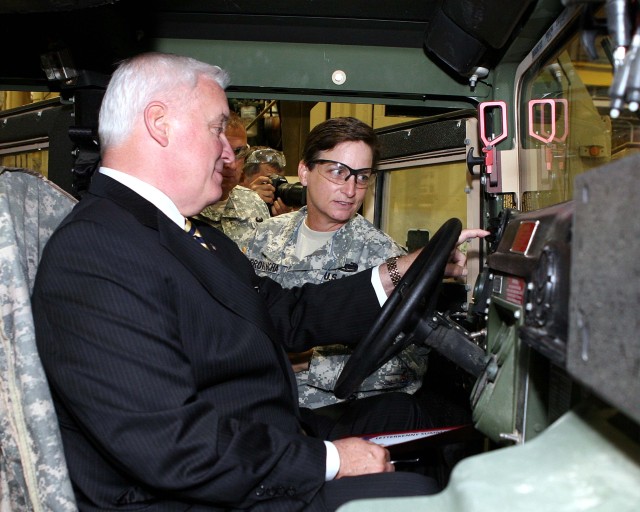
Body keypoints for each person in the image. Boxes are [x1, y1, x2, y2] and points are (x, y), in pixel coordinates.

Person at [32, 52, 487, 511]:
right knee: (421, 496)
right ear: (159, 123)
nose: (229, 154)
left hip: (256, 439)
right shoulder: (97, 251)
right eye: (217, 128)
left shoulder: (190, 235)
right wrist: (327, 460)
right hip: (191, 492)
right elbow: (169, 445)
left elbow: (283, 313)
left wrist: (399, 271)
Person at [239, 117, 429, 409]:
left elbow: (409, 365)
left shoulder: (385, 258)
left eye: (362, 177)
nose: (351, 190)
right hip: (254, 402)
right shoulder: (263, 236)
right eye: (338, 172)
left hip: (330, 415)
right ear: (304, 172)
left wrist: (310, 363)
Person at [196, 113, 270, 243]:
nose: (231, 164)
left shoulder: (254, 203)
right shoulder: (182, 207)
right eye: (221, 151)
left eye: (239, 152)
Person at [241, 146, 297, 216]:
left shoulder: (289, 213)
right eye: (268, 182)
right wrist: (249, 202)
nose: (274, 189)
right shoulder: (228, 206)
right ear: (242, 179)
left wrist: (286, 219)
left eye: (278, 183)